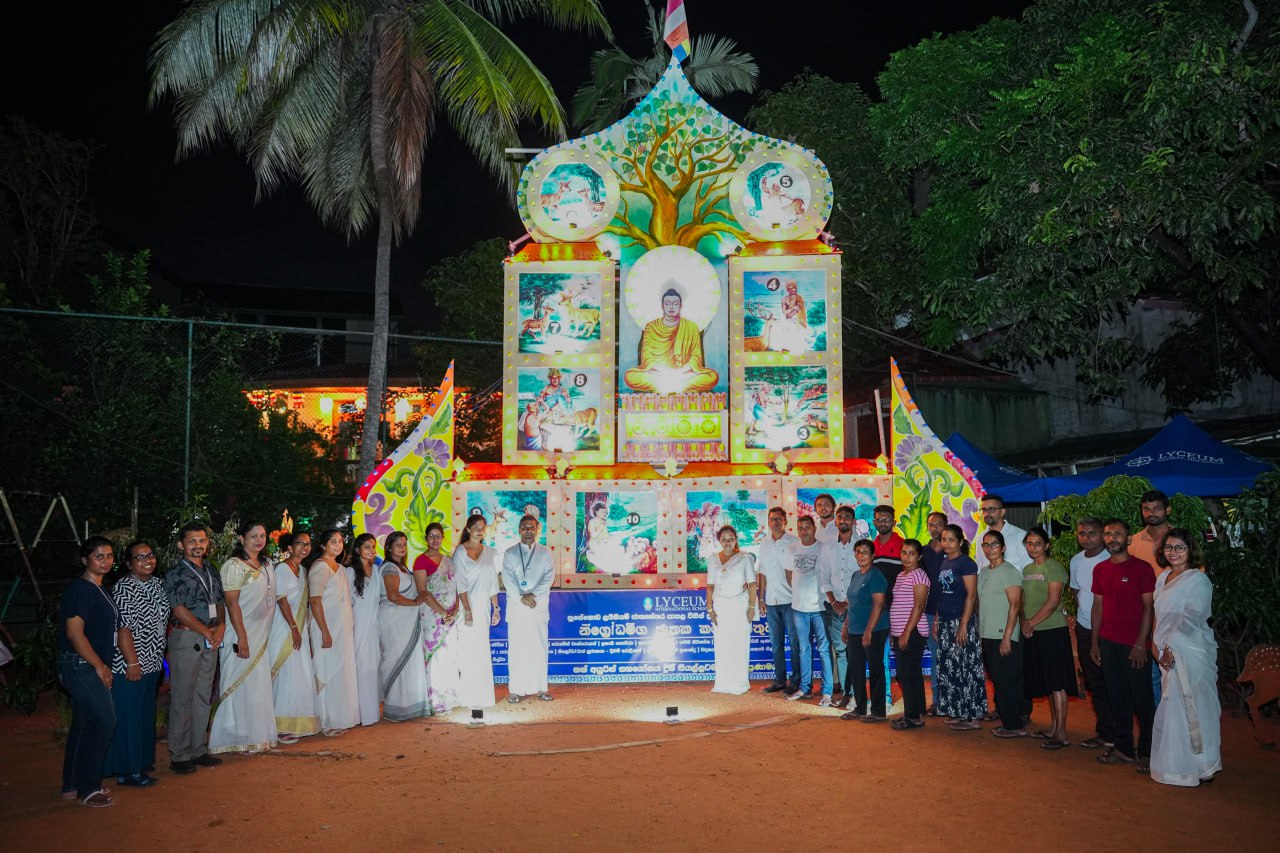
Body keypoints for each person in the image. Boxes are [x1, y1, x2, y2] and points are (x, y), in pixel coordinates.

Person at [1150, 529, 1221, 786]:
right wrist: (1155, 645)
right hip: (1165, 652)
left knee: (1197, 707)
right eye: (1169, 547)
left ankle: (1205, 766)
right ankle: (1177, 765)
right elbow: (1158, 614)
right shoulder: (1163, 578)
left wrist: (1169, 647)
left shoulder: (1197, 580)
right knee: (1174, 709)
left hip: (1190, 652)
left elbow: (1193, 616)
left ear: (1190, 550)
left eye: (1180, 548)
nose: (1174, 553)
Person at [1090, 519, 1157, 770]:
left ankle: (1149, 753)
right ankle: (1123, 747)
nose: (1112, 538)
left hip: (1134, 645)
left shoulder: (1142, 568)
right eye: (1108, 534)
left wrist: (1141, 644)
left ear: (1127, 538)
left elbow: (1149, 608)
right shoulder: (1101, 569)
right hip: (1108, 642)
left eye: (1118, 534)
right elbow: (1097, 607)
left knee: (1142, 700)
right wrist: (1095, 643)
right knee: (1116, 697)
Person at [58, 537, 119, 807]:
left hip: (87, 664)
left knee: (82, 726)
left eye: (109, 556)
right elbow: (74, 633)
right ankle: (88, 788)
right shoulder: (81, 590)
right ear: (85, 559)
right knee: (105, 721)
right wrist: (100, 666)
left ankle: (71, 784)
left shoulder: (100, 588)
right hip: (80, 664)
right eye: (98, 556)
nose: (105, 561)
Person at [104, 540, 169, 788]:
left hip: (152, 663)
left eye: (150, 555)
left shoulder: (157, 584)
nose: (147, 560)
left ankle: (140, 764)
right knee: (129, 718)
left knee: (143, 716)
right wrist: (132, 662)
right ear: (129, 563)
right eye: (140, 557)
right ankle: (127, 770)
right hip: (129, 665)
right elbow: (123, 629)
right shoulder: (123, 589)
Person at [209, 520, 277, 755]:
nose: (259, 540)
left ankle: (257, 735)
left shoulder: (267, 563)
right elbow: (231, 602)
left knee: (258, 687)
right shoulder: (234, 565)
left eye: (262, 536)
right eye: (253, 536)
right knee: (240, 685)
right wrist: (242, 637)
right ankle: (235, 736)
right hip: (240, 634)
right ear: (241, 539)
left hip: (261, 635)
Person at [163, 522, 225, 775]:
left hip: (211, 638)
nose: (198, 545)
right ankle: (179, 754)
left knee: (203, 696)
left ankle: (199, 749)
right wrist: (206, 630)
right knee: (182, 697)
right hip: (187, 638)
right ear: (181, 545)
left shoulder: (212, 570)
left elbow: (219, 602)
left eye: (201, 540)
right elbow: (178, 609)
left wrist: (220, 625)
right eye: (192, 541)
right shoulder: (174, 574)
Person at [1020, 526, 1077, 749]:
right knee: (1047, 681)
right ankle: (1054, 727)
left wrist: (1030, 623)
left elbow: (1053, 602)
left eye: (1037, 543)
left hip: (1052, 630)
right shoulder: (1026, 569)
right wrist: (1026, 622)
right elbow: (1026, 600)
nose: (1033, 548)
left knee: (1057, 682)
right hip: (1034, 631)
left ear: (1047, 545)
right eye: (1029, 543)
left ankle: (1061, 733)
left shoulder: (1054, 567)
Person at [933, 524, 987, 730]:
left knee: (966, 667)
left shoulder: (967, 563)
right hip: (946, 621)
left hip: (961, 621)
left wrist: (964, 624)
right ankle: (957, 711)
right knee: (951, 668)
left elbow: (971, 595)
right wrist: (938, 620)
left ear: (961, 542)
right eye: (943, 539)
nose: (946, 543)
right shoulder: (945, 561)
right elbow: (941, 594)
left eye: (951, 540)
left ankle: (972, 716)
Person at [1069, 517, 1117, 750]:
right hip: (1085, 627)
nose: (1086, 538)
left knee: (1113, 682)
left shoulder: (1111, 559)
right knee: (1095, 683)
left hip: (1110, 629)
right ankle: (1105, 732)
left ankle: (1120, 734)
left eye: (1092, 533)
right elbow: (1076, 592)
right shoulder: (1076, 560)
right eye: (1082, 533)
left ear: (1102, 534)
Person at [267, 531, 319, 743]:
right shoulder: (282, 569)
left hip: (299, 628)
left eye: (307, 544)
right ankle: (280, 727)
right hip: (285, 627)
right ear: (290, 547)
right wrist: (293, 628)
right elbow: (282, 600)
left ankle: (296, 722)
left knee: (299, 675)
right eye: (300, 543)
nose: (304, 547)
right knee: (286, 673)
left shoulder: (303, 570)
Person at [307, 529, 359, 735]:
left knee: (341, 671)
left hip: (342, 627)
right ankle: (326, 720)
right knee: (326, 671)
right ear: (323, 545)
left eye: (340, 542)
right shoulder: (320, 567)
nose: (338, 545)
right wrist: (325, 631)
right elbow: (314, 600)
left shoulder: (340, 568)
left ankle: (339, 717)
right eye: (333, 542)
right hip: (325, 628)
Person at [623, 285, 718, 393]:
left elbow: (695, 356)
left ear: (681, 306)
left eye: (675, 304)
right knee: (630, 376)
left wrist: (683, 370)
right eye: (667, 303)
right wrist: (663, 370)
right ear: (662, 306)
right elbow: (647, 356)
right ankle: (678, 388)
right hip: (658, 374)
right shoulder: (651, 327)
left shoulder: (691, 327)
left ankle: (671, 387)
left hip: (684, 374)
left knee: (712, 376)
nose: (671, 307)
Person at [977, 531, 1026, 738]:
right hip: (987, 634)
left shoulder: (1010, 571)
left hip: (1004, 635)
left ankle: (1014, 725)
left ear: (1003, 548)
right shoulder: (984, 572)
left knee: (1006, 680)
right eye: (986, 545)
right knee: (997, 679)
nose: (990, 549)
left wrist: (1007, 636)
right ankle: (1008, 721)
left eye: (994, 545)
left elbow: (1015, 605)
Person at [1128, 489, 1174, 710]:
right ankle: (1159, 731)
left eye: (1156, 508)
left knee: (1176, 677)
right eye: (1146, 509)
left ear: (1167, 510)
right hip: (1143, 620)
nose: (1151, 513)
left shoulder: (1180, 540)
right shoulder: (1134, 542)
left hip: (1175, 618)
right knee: (1151, 678)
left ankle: (1181, 733)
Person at [502, 516, 555, 702]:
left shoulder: (545, 553)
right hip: (517, 608)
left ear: (537, 529)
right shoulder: (509, 553)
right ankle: (515, 690)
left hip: (538, 607)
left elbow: (549, 578)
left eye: (531, 527)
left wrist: (533, 595)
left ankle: (542, 688)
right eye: (524, 527)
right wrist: (521, 597)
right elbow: (507, 579)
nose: (528, 530)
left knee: (539, 647)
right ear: (519, 529)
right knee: (516, 649)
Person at [378, 531, 430, 721]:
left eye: (404, 544)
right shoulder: (390, 568)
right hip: (394, 621)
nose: (402, 547)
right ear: (389, 547)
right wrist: (416, 603)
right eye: (398, 544)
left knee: (409, 662)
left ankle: (410, 705)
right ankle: (396, 708)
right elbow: (392, 595)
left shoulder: (403, 568)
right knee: (396, 661)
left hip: (405, 622)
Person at [455, 513, 501, 709]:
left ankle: (483, 696)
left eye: (483, 527)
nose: (480, 530)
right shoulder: (460, 551)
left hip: (483, 607)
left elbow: (492, 583)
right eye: (476, 527)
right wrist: (466, 609)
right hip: (466, 607)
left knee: (481, 649)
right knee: (467, 650)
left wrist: (496, 609)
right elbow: (460, 582)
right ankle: (467, 696)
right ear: (468, 529)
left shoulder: (491, 552)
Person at [840, 539, 889, 722]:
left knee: (875, 669)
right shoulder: (855, 575)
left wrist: (869, 630)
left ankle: (878, 712)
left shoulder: (875, 575)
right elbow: (852, 604)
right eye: (858, 551)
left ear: (873, 555)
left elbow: (879, 604)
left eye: (865, 552)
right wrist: (846, 625)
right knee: (855, 669)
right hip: (854, 629)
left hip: (874, 630)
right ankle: (860, 708)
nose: (861, 555)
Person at [786, 516, 833, 705]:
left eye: (807, 527)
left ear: (814, 529)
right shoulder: (792, 549)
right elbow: (790, 575)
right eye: (800, 528)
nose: (804, 531)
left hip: (820, 608)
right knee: (804, 649)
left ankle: (827, 691)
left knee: (823, 650)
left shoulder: (824, 548)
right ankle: (805, 688)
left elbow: (828, 574)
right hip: (799, 608)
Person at [415, 523, 461, 713]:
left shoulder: (449, 560)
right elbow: (423, 592)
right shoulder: (420, 561)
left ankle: (450, 697)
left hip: (451, 614)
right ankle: (435, 701)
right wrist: (443, 612)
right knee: (435, 656)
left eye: (438, 536)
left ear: (443, 538)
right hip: (432, 614)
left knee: (450, 655)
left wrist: (456, 609)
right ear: (426, 539)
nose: (435, 539)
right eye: (431, 536)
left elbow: (455, 588)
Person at [706, 526, 758, 694]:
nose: (727, 542)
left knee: (739, 644)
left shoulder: (745, 558)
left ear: (735, 540)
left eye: (730, 538)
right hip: (720, 606)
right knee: (722, 645)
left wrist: (751, 607)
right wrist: (710, 609)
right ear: (719, 541)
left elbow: (752, 584)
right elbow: (709, 586)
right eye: (723, 539)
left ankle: (739, 684)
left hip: (739, 605)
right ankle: (723, 683)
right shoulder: (712, 559)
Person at [756, 507, 800, 694]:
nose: (775, 522)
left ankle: (796, 681)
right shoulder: (764, 544)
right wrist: (761, 598)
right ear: (768, 521)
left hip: (791, 600)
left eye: (779, 519)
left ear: (785, 521)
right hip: (772, 601)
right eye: (772, 519)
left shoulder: (794, 542)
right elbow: (762, 572)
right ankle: (779, 680)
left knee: (795, 642)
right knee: (776, 644)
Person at [888, 540, 930, 730]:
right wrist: (895, 632)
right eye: (904, 552)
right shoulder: (900, 575)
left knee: (909, 675)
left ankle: (913, 717)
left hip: (912, 632)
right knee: (906, 675)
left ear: (919, 556)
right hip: (900, 632)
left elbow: (919, 606)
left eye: (911, 553)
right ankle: (915, 713)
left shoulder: (919, 576)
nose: (906, 556)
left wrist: (906, 633)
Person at [818, 505, 858, 703]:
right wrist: (834, 602)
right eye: (840, 517)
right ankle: (846, 693)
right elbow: (823, 576)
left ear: (853, 521)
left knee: (856, 652)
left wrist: (849, 603)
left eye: (847, 517)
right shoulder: (828, 547)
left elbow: (863, 577)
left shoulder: (861, 545)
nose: (843, 520)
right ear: (836, 521)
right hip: (833, 607)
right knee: (841, 651)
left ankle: (858, 694)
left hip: (857, 607)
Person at [348, 533, 382, 725]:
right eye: (366, 547)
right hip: (357, 624)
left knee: (372, 666)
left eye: (373, 546)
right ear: (357, 549)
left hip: (374, 624)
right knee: (360, 666)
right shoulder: (350, 572)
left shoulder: (376, 570)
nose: (371, 550)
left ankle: (371, 713)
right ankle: (359, 714)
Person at [921, 511, 948, 713]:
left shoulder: (954, 551)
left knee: (952, 656)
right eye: (931, 524)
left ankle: (953, 699)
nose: (935, 528)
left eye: (939, 524)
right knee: (936, 657)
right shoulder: (922, 552)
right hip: (929, 612)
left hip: (952, 612)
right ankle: (938, 701)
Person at [976, 494, 1029, 576]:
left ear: (1002, 512)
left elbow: (1028, 568)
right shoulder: (980, 538)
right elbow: (980, 569)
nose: (987, 513)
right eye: (984, 510)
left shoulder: (1020, 535)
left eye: (991, 509)